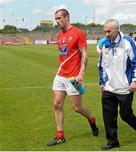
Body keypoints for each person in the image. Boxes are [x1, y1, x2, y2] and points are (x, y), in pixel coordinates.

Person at [47, 8, 99, 146]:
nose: (57, 21)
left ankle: (92, 119)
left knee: (77, 107)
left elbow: (84, 54)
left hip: (73, 77)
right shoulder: (59, 36)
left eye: (59, 18)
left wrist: (81, 73)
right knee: (57, 104)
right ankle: (60, 136)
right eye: (56, 19)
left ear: (67, 17)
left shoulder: (78, 33)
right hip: (60, 74)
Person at [99, 19, 136, 150]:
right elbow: (102, 65)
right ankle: (112, 141)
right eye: (105, 31)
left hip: (125, 87)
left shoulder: (127, 42)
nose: (106, 34)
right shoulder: (105, 44)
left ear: (117, 29)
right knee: (108, 116)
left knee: (125, 115)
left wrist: (135, 80)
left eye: (109, 31)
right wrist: (102, 82)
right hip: (109, 87)